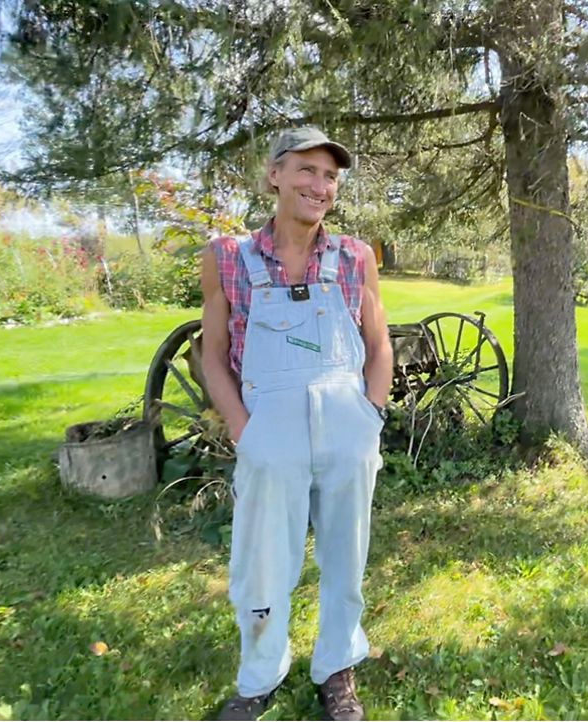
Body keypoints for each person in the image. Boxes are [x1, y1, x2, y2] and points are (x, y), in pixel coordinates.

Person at [200, 126, 392, 721]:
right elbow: (211, 354)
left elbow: (378, 343)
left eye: (330, 176)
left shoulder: (355, 257)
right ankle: (260, 674)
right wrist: (243, 431)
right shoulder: (228, 257)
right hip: (269, 434)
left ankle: (336, 670)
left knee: (345, 557)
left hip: (346, 429)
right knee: (262, 561)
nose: (320, 185)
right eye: (306, 170)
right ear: (274, 175)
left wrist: (371, 417)